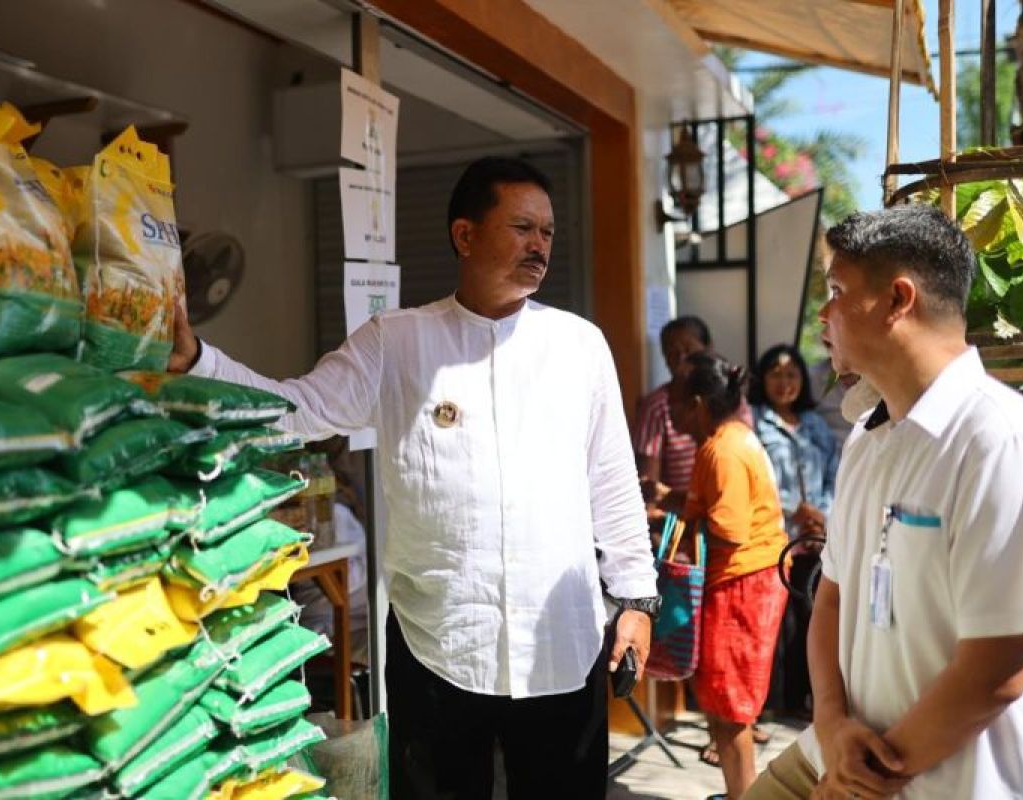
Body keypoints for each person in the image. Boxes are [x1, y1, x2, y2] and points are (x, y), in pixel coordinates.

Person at [167, 156, 661, 799]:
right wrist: (202, 363)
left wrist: (637, 600)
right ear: (465, 235)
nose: (539, 245)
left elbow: (613, 479)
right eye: (521, 227)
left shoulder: (579, 346)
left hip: (560, 639)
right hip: (440, 640)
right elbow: (302, 411)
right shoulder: (396, 341)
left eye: (546, 232)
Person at [744, 205, 1023, 800]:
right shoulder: (867, 440)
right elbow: (832, 597)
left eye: (836, 291)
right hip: (842, 754)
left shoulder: (998, 439)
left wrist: (864, 778)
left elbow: (997, 670)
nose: (823, 316)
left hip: (942, 779)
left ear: (898, 300)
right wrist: (830, 722)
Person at [648, 352, 788, 800]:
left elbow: (729, 529)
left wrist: (688, 524)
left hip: (740, 584)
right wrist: (674, 499)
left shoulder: (721, 448)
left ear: (700, 405)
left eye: (677, 402)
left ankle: (742, 795)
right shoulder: (736, 438)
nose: (670, 411)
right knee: (728, 704)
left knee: (729, 710)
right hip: (753, 580)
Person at [749, 343, 839, 718]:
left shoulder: (816, 423)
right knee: (774, 624)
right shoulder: (754, 421)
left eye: (792, 374)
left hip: (816, 541)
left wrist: (824, 513)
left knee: (812, 620)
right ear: (762, 379)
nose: (785, 382)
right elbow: (755, 479)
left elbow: (836, 471)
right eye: (776, 374)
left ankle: (806, 700)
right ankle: (771, 703)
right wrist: (792, 509)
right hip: (775, 537)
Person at [634, 315, 713, 507]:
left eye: (688, 349)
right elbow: (648, 485)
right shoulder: (656, 406)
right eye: (671, 352)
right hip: (676, 522)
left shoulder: (732, 402)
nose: (681, 358)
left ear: (708, 349)